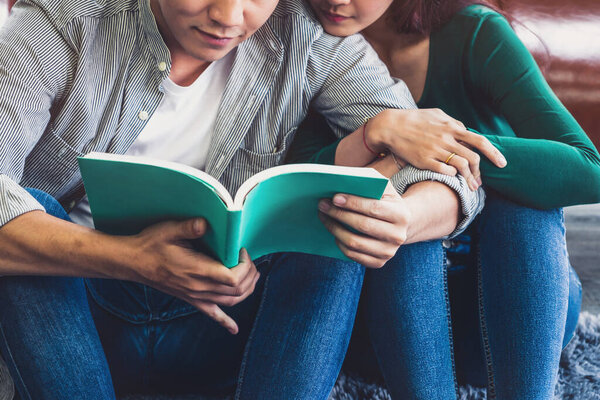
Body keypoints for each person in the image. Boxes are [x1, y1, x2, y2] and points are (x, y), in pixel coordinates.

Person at [0, 0, 488, 398]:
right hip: (81, 317)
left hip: (228, 322)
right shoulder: (60, 23)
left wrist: (403, 217)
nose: (229, 17)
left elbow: (447, 167)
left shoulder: (304, 35)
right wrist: (130, 259)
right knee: (32, 213)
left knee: (340, 213)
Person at [288, 0, 600, 399]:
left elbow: (588, 170)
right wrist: (378, 134)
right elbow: (295, 179)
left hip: (514, 316)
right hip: (381, 333)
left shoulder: (474, 32)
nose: (335, 0)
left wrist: (441, 146)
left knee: (523, 205)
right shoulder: (310, 43)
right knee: (394, 216)